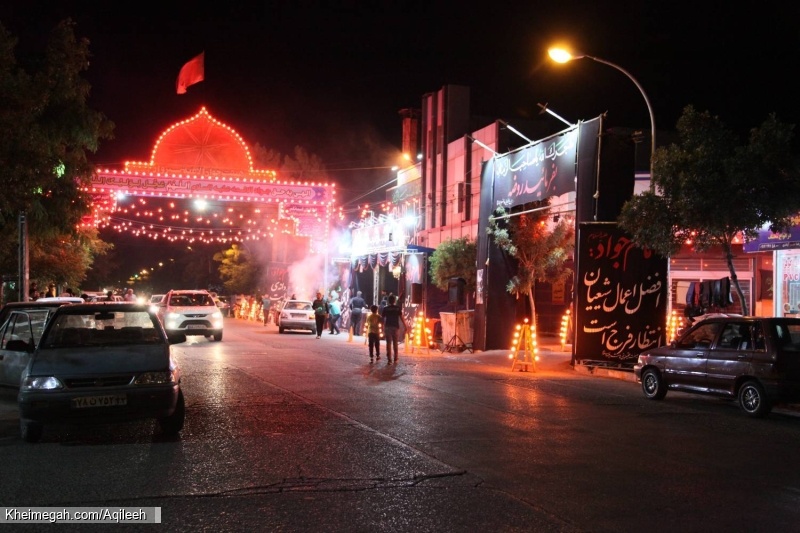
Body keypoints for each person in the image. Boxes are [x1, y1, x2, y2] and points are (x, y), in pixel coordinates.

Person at [381, 294, 407, 364]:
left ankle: (389, 359)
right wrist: (405, 326)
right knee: (395, 343)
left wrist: (382, 328)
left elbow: (382, 319)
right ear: (394, 300)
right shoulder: (397, 308)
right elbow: (401, 318)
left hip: (388, 326)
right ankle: (395, 358)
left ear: (388, 301)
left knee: (388, 343)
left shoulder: (385, 308)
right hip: (395, 327)